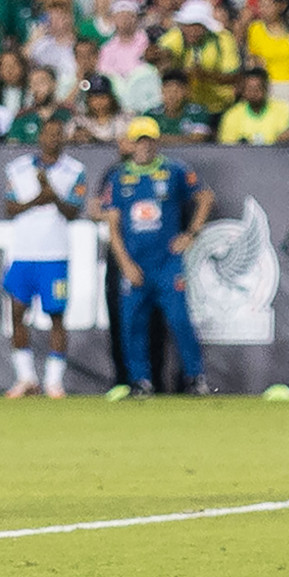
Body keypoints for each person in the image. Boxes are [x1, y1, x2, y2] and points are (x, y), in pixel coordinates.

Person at [103, 117, 215, 397]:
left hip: (167, 263)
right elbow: (113, 227)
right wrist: (125, 264)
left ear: (156, 142)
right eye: (139, 141)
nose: (144, 147)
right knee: (132, 324)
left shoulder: (173, 171)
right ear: (130, 144)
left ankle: (194, 377)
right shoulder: (119, 177)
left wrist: (191, 233)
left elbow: (205, 198)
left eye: (148, 140)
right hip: (136, 264)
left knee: (179, 320)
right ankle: (140, 381)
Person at [2, 116, 88, 398]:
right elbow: (9, 207)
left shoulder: (75, 171)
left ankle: (53, 381)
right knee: (17, 313)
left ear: (64, 137)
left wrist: (52, 195)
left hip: (54, 254)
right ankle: (26, 377)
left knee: (56, 316)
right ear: (40, 136)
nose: (53, 138)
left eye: (58, 134)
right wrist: (35, 201)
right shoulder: (18, 168)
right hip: (24, 253)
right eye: (48, 133)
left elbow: (73, 212)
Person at [217, 68, 289, 145]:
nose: (253, 93)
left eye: (257, 88)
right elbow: (227, 150)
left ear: (266, 88)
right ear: (243, 90)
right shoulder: (232, 115)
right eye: (249, 88)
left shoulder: (283, 111)